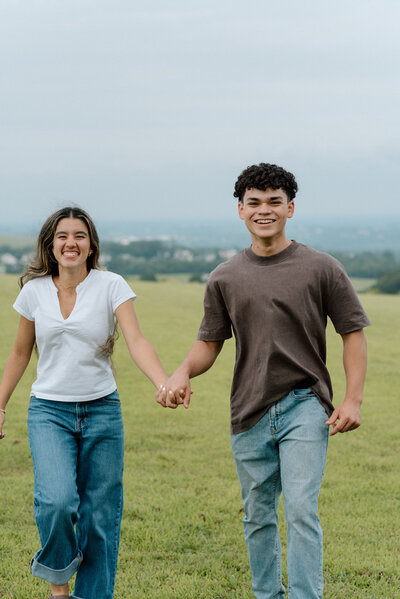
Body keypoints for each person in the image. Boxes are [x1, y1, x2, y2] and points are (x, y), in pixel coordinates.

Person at [157, 163, 370, 599]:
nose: (264, 210)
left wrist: (353, 400)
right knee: (257, 515)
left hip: (305, 404)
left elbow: (352, 334)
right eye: (254, 202)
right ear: (240, 211)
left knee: (300, 509)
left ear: (290, 208)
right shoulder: (224, 277)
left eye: (274, 202)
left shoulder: (322, 268)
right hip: (248, 411)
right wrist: (181, 371)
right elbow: (209, 344)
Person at [0, 207, 168, 599]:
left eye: (79, 235)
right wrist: (1, 404)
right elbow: (20, 354)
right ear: (51, 243)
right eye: (62, 235)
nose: (70, 242)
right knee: (56, 501)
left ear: (91, 244)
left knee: (99, 518)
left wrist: (162, 382)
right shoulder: (34, 291)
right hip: (49, 412)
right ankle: (60, 584)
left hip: (102, 412)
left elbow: (137, 341)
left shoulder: (112, 285)